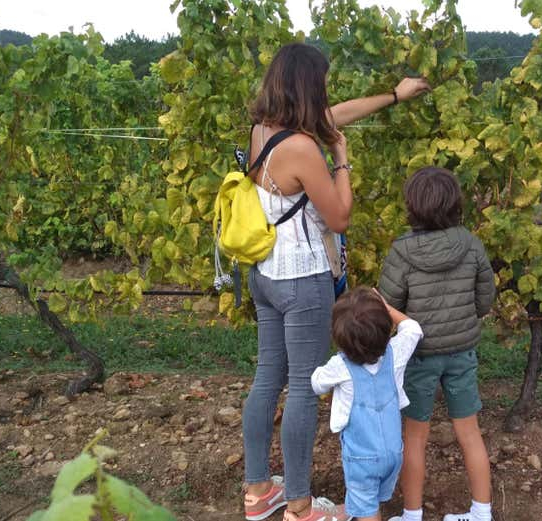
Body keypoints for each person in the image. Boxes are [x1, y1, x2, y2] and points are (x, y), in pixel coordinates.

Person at [241, 42, 430, 521]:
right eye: (321, 81)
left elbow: (335, 113)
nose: (327, 89)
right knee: (305, 387)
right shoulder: (305, 148)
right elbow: (340, 216)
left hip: (264, 273)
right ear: (308, 85)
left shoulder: (265, 129)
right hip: (302, 280)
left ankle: (259, 490)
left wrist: (394, 95)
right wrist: (341, 157)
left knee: (268, 377)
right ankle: (301, 506)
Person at [378, 167, 497, 521]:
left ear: (412, 206)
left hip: (418, 357)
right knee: (469, 432)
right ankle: (481, 513)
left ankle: (412, 515)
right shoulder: (471, 244)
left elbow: (390, 305)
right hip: (462, 353)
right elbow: (485, 300)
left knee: (415, 437)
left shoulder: (402, 251)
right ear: (455, 204)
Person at [311, 287, 423, 521]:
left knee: (367, 509)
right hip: (393, 452)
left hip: (361, 459)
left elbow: (317, 383)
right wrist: (387, 306)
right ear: (386, 328)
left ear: (338, 337)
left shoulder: (340, 366)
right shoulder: (396, 353)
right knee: (371, 502)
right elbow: (413, 328)